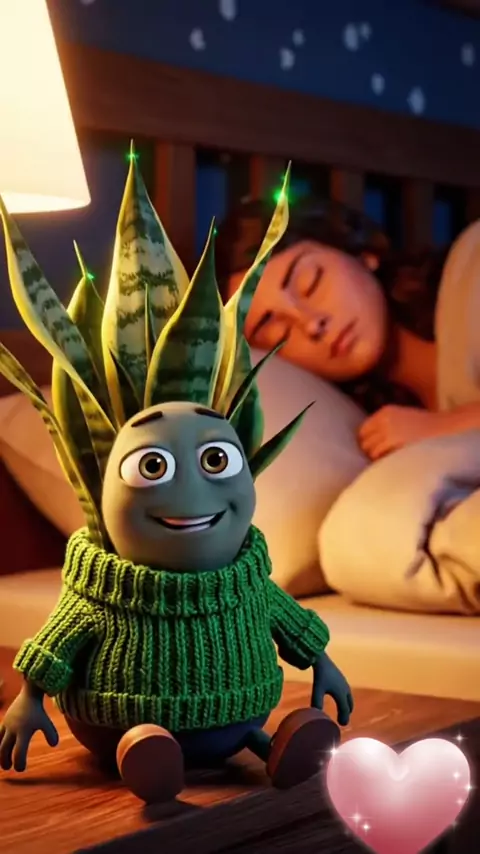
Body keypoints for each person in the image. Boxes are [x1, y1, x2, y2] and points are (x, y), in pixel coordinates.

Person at [215, 194, 480, 461]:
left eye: (311, 281)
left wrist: (441, 427)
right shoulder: (373, 429)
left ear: (362, 254)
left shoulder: (471, 270)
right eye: (277, 333)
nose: (312, 324)